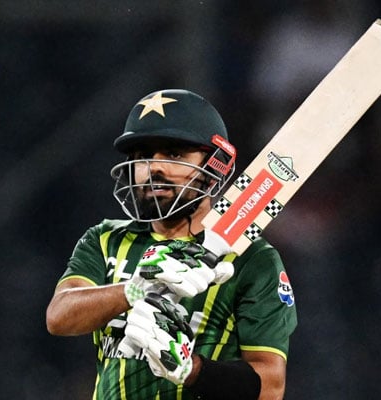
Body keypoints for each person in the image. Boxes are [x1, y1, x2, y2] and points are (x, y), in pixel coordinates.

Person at [46, 89, 297, 400]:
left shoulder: (252, 259)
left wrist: (191, 370)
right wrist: (135, 289)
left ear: (215, 164)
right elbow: (59, 317)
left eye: (175, 155)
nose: (154, 168)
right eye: (143, 157)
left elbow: (271, 387)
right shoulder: (106, 239)